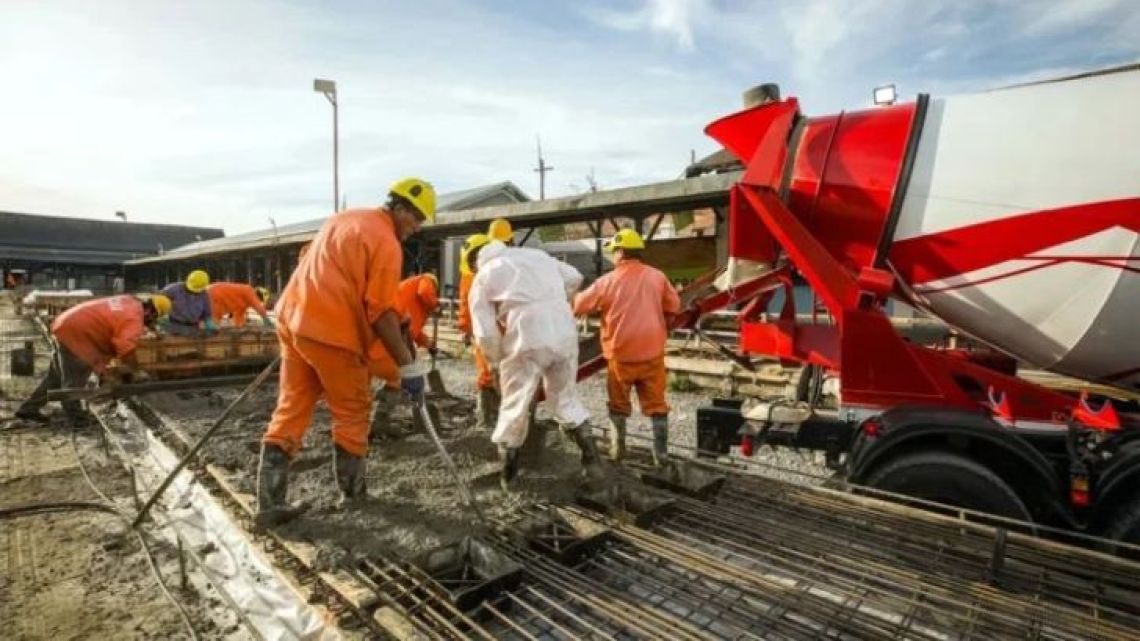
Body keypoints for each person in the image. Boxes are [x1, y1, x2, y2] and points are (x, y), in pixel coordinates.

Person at [256, 177, 436, 527]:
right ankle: (354, 498)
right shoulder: (386, 242)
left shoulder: (343, 219)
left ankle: (268, 503)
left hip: (294, 320)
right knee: (353, 410)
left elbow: (312, 258)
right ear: (398, 207)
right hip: (332, 333)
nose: (415, 228)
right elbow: (380, 313)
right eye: (414, 219)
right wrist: (409, 368)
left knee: (292, 406)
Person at [469, 240, 603, 490]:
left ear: (476, 260)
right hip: (564, 330)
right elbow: (575, 276)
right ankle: (592, 463)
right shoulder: (537, 256)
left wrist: (496, 361)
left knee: (514, 406)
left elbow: (484, 332)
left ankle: (509, 478)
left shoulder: (484, 275)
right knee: (565, 399)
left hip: (526, 334)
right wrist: (553, 301)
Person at [573, 229, 680, 465]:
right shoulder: (657, 277)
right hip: (652, 353)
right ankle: (661, 457)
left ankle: (617, 453)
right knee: (657, 406)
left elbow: (578, 306)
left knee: (619, 406)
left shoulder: (607, 282)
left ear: (621, 252)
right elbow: (674, 306)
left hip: (621, 355)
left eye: (614, 252)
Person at [15, 294, 171, 423]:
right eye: (154, 319)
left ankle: (28, 409)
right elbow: (125, 347)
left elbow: (119, 320)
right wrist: (136, 371)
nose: (151, 322)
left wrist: (151, 329)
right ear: (151, 312)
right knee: (75, 382)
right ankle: (77, 419)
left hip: (67, 324)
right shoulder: (133, 319)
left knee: (55, 378)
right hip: (79, 335)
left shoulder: (130, 301)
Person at [366, 272, 438, 438]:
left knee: (362, 386)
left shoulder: (409, 299)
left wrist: (428, 345)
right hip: (386, 341)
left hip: (373, 342)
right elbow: (425, 292)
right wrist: (436, 305)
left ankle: (362, 428)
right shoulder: (425, 280)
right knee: (396, 378)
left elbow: (414, 332)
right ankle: (379, 422)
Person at [457, 233, 498, 429]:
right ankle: (486, 417)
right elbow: (466, 307)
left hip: (500, 331)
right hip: (484, 332)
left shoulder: (495, 272)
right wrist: (466, 330)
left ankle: (492, 416)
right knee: (487, 374)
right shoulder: (471, 278)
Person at [162, 270, 217, 336]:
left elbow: (207, 313)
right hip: (174, 326)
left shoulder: (204, 295)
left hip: (193, 328)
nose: (193, 292)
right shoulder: (172, 290)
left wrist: (209, 322)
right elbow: (157, 304)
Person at [207, 282, 273, 328]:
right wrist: (266, 319)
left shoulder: (243, 302)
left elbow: (238, 317)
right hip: (215, 293)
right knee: (214, 325)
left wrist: (240, 327)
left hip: (213, 291)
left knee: (215, 323)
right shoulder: (249, 291)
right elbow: (258, 307)